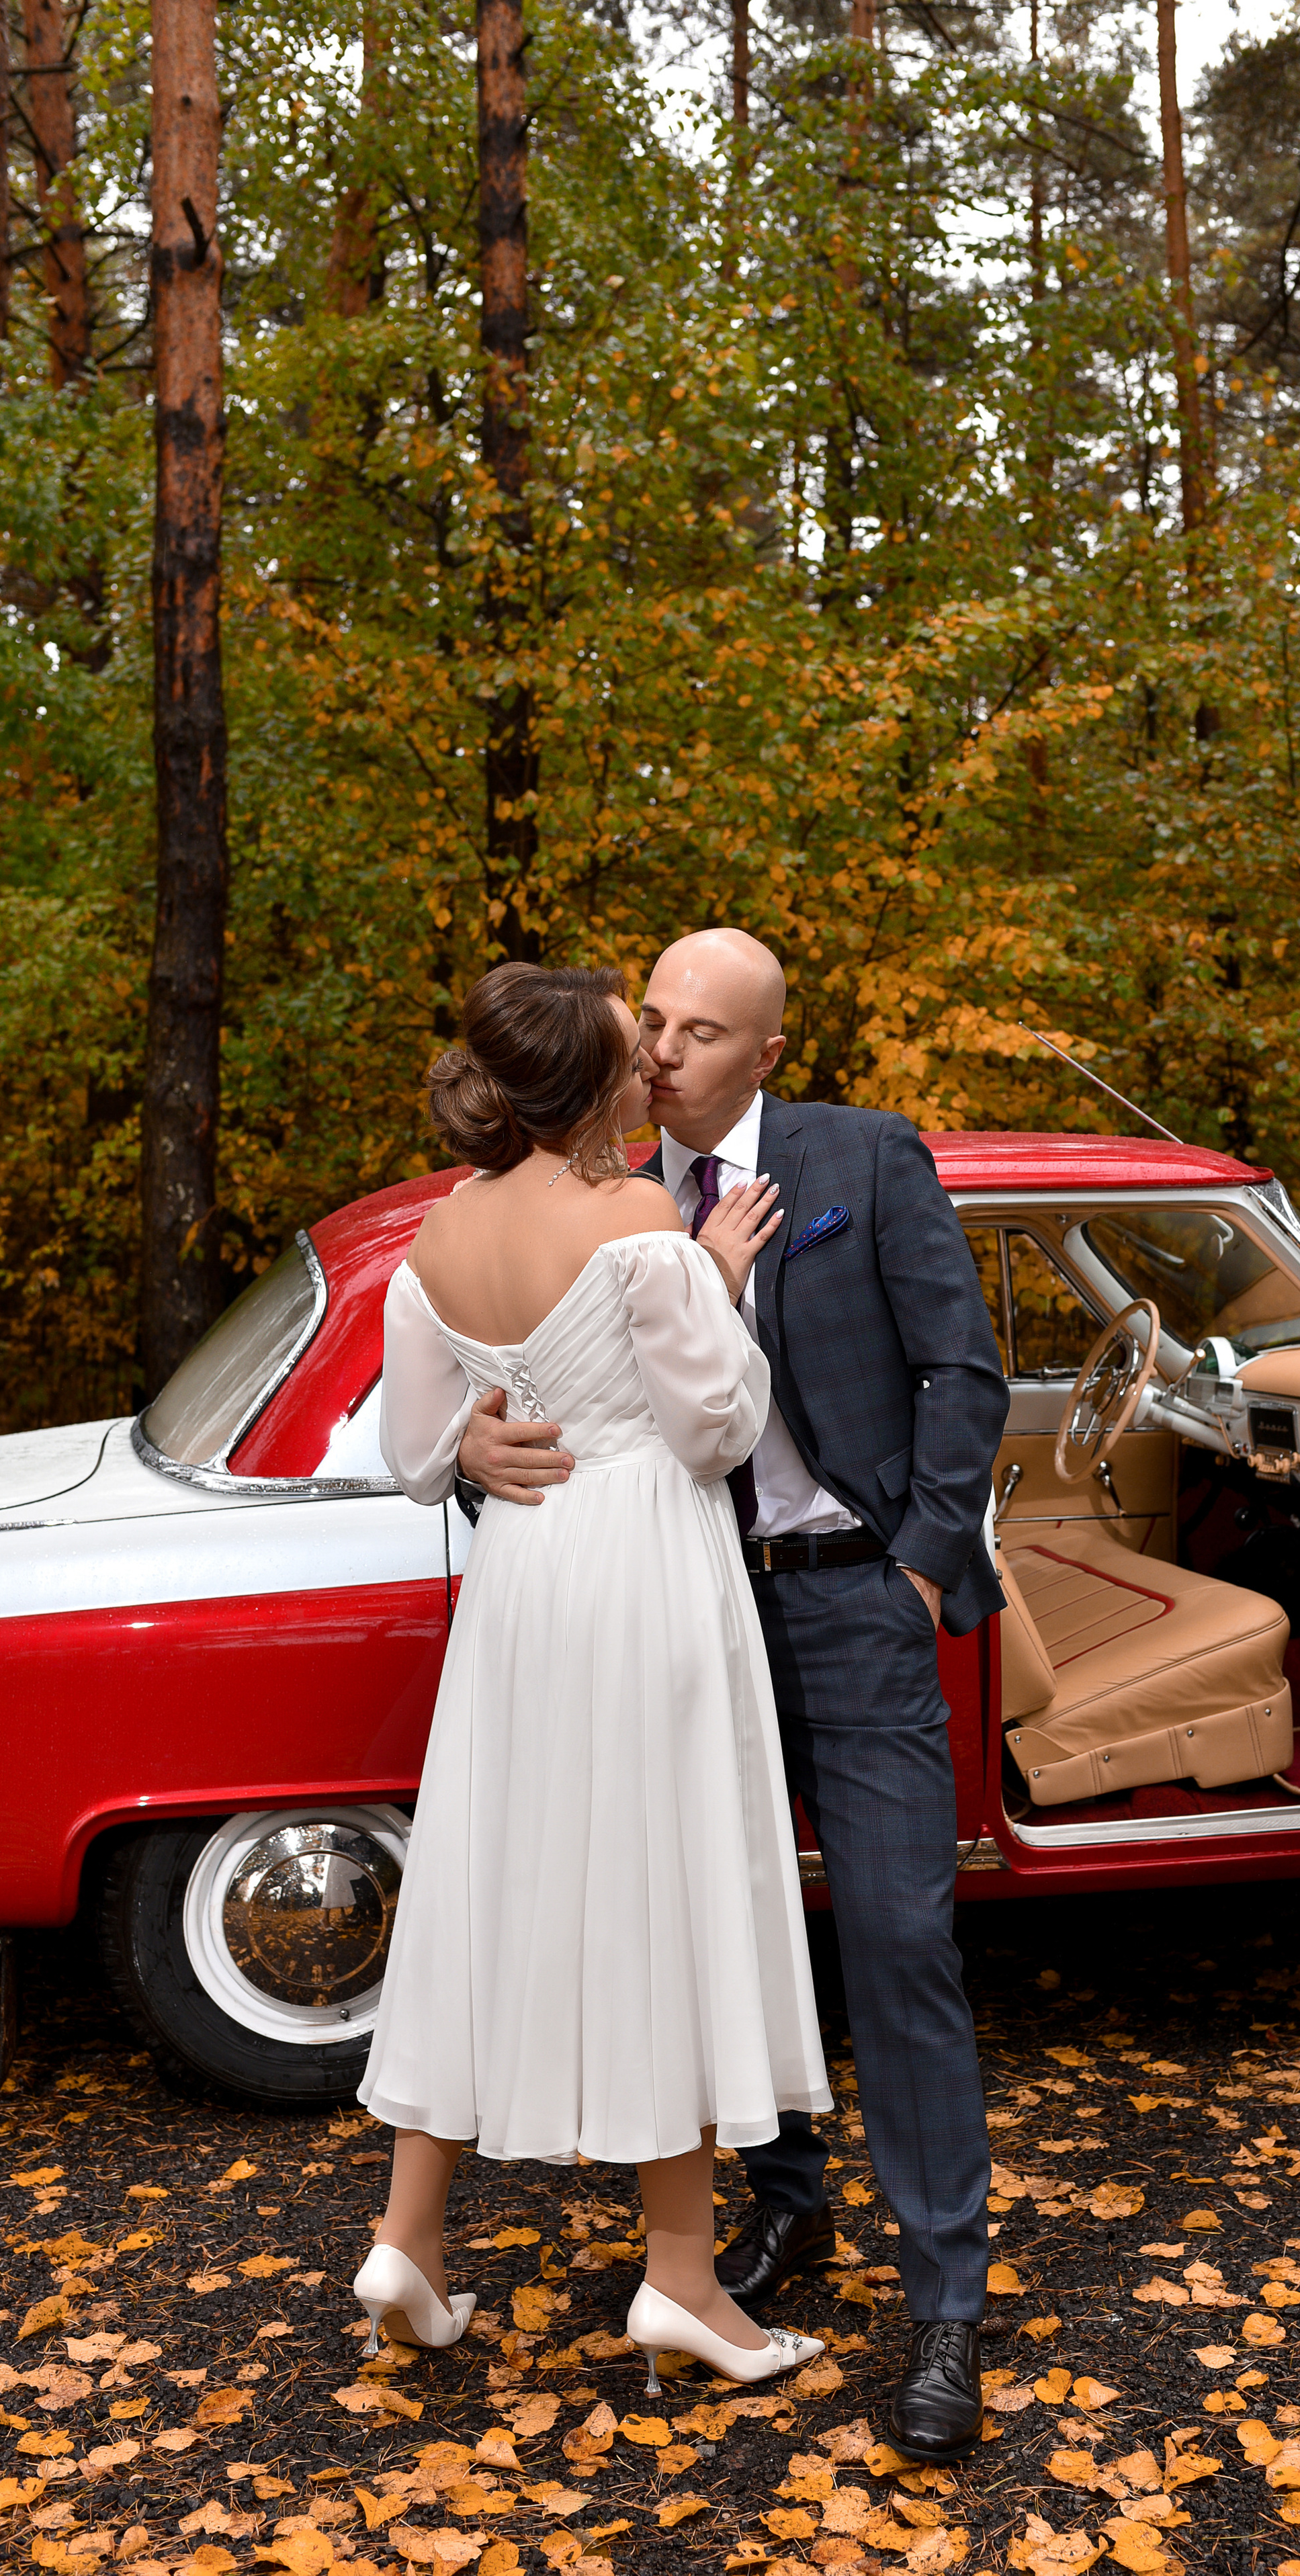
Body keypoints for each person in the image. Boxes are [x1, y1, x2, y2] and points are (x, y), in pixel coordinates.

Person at [456, 929, 1009, 2460]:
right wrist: (466, 1456)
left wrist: (911, 1561)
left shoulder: (864, 1157)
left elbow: (963, 1373)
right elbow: (488, 1373)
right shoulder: (583, 1193)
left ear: (766, 1052)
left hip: (849, 1600)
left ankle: (945, 2297)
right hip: (670, 1613)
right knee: (706, 1926)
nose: (660, 1056)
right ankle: (784, 2211)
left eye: (700, 1033)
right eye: (654, 1026)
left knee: (899, 1934)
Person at [353, 960, 832, 2394]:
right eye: (635, 1057)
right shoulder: (640, 1224)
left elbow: (416, 1450)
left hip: (524, 1583)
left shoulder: (441, 1230)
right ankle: (681, 2283)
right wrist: (723, 1281)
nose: (653, 1075)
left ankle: (407, 2240)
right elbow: (717, 1430)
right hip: (641, 1566)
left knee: (492, 1878)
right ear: (584, 1092)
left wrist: (484, 1449)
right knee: (658, 1888)